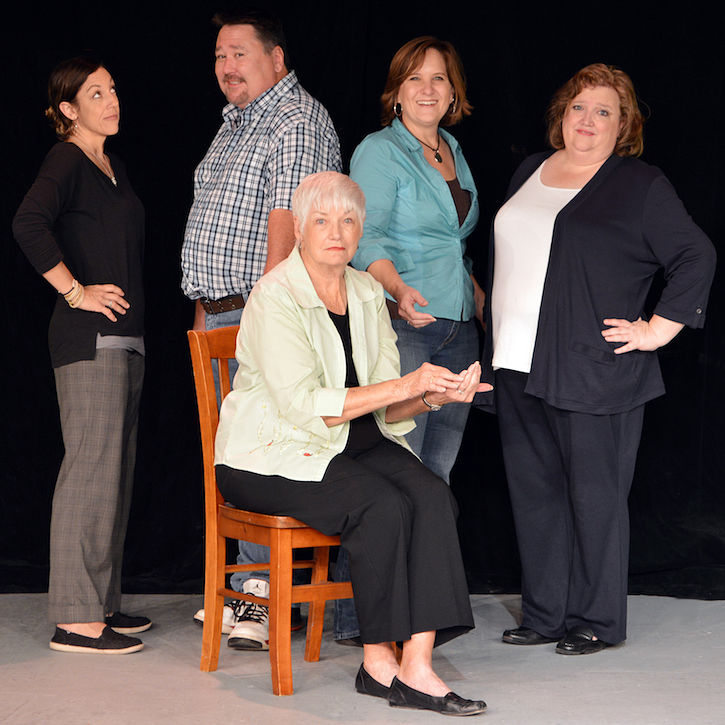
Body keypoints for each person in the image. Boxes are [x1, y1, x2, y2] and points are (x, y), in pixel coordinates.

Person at [215, 171, 488, 715]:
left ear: (361, 230)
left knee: (432, 495)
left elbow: (390, 403)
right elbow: (303, 404)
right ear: (298, 228)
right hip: (271, 452)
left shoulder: (365, 290)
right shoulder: (274, 295)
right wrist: (406, 383)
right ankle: (375, 660)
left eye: (348, 220)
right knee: (381, 505)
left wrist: (435, 395)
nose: (336, 232)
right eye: (321, 220)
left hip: (351, 441)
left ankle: (417, 665)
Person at [480, 63, 716, 655]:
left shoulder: (638, 184)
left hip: (593, 366)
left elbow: (695, 254)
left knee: (595, 497)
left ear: (623, 126)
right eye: (579, 107)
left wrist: (658, 330)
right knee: (535, 494)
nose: (587, 120)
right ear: (563, 113)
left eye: (603, 112)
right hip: (514, 362)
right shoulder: (530, 170)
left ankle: (596, 620)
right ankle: (544, 614)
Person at [180, 8, 349, 650]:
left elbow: (289, 220)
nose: (227, 67)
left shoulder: (295, 118)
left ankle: (262, 600)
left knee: (260, 450)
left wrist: (261, 318)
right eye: (220, 55)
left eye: (240, 54)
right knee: (238, 450)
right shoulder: (235, 124)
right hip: (222, 311)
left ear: (277, 59)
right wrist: (205, 317)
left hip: (259, 313)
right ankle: (249, 592)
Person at [13, 57, 150, 654]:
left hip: (126, 341)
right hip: (87, 341)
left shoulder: (112, 166)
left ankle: (101, 604)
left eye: (113, 89)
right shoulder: (66, 158)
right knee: (88, 474)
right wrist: (76, 292)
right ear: (69, 110)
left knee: (112, 478)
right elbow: (28, 223)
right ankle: (75, 618)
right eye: (96, 93)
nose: (111, 100)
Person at [350, 36, 483, 485]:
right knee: (396, 472)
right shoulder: (379, 151)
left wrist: (480, 301)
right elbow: (366, 238)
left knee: (437, 473)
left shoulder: (452, 151)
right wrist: (399, 290)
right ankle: (371, 560)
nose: (427, 89)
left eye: (438, 78)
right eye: (414, 78)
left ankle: (426, 559)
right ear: (397, 92)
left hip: (460, 331)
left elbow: (453, 244)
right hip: (405, 326)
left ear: (452, 93)